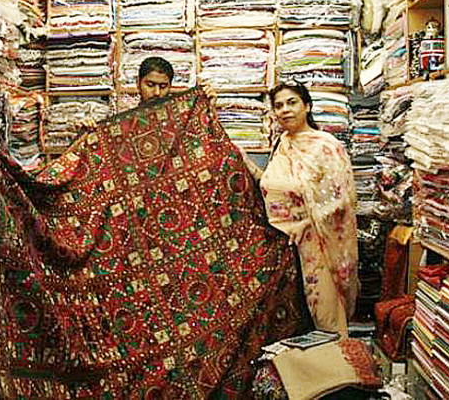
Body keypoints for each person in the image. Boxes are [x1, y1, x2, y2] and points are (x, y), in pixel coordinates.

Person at [240, 81, 360, 335]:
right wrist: (245, 162)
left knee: (323, 313)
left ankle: (335, 368)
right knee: (290, 321)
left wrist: (307, 223)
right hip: (282, 247)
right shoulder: (281, 144)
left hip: (317, 245)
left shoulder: (325, 146)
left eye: (292, 103)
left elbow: (342, 199)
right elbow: (272, 185)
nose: (285, 110)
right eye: (278, 105)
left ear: (307, 106)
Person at [80, 56, 215, 129]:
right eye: (150, 85)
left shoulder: (181, 123)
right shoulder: (122, 124)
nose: (157, 92)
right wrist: (88, 129)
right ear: (138, 83)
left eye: (163, 86)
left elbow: (207, 141)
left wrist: (209, 108)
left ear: (170, 86)